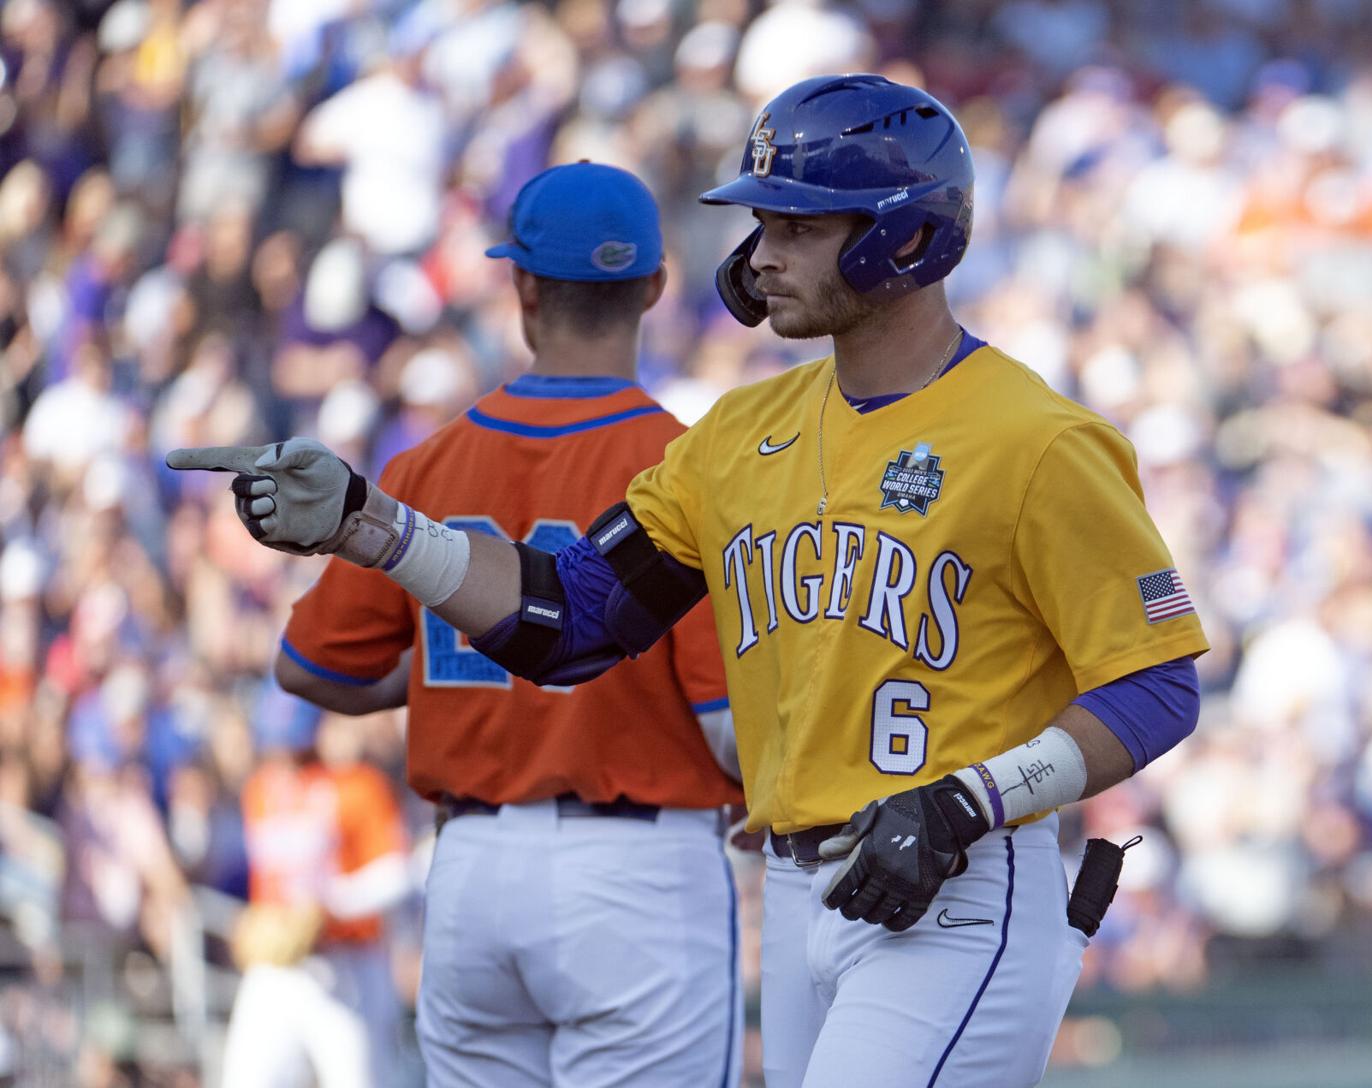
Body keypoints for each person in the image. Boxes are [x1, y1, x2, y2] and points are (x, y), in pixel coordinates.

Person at [169, 75, 1209, 1088]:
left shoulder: (1037, 440)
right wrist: (372, 524)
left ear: (903, 235)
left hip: (957, 887)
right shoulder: (738, 434)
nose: (763, 254)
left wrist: (974, 797)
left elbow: (1156, 683)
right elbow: (569, 621)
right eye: (763, 223)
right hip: (804, 891)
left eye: (798, 226)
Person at [267, 162, 746, 1087]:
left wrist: (454, 654)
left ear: (521, 283)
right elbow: (730, 731)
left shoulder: (427, 465)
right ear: (653, 285)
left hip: (475, 869)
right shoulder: (688, 466)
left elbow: (309, 667)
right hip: (638, 873)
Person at [223, 683, 410, 1088]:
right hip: (277, 970)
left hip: (347, 964)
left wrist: (334, 902)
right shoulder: (260, 790)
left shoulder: (357, 785)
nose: (282, 756)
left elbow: (397, 873)